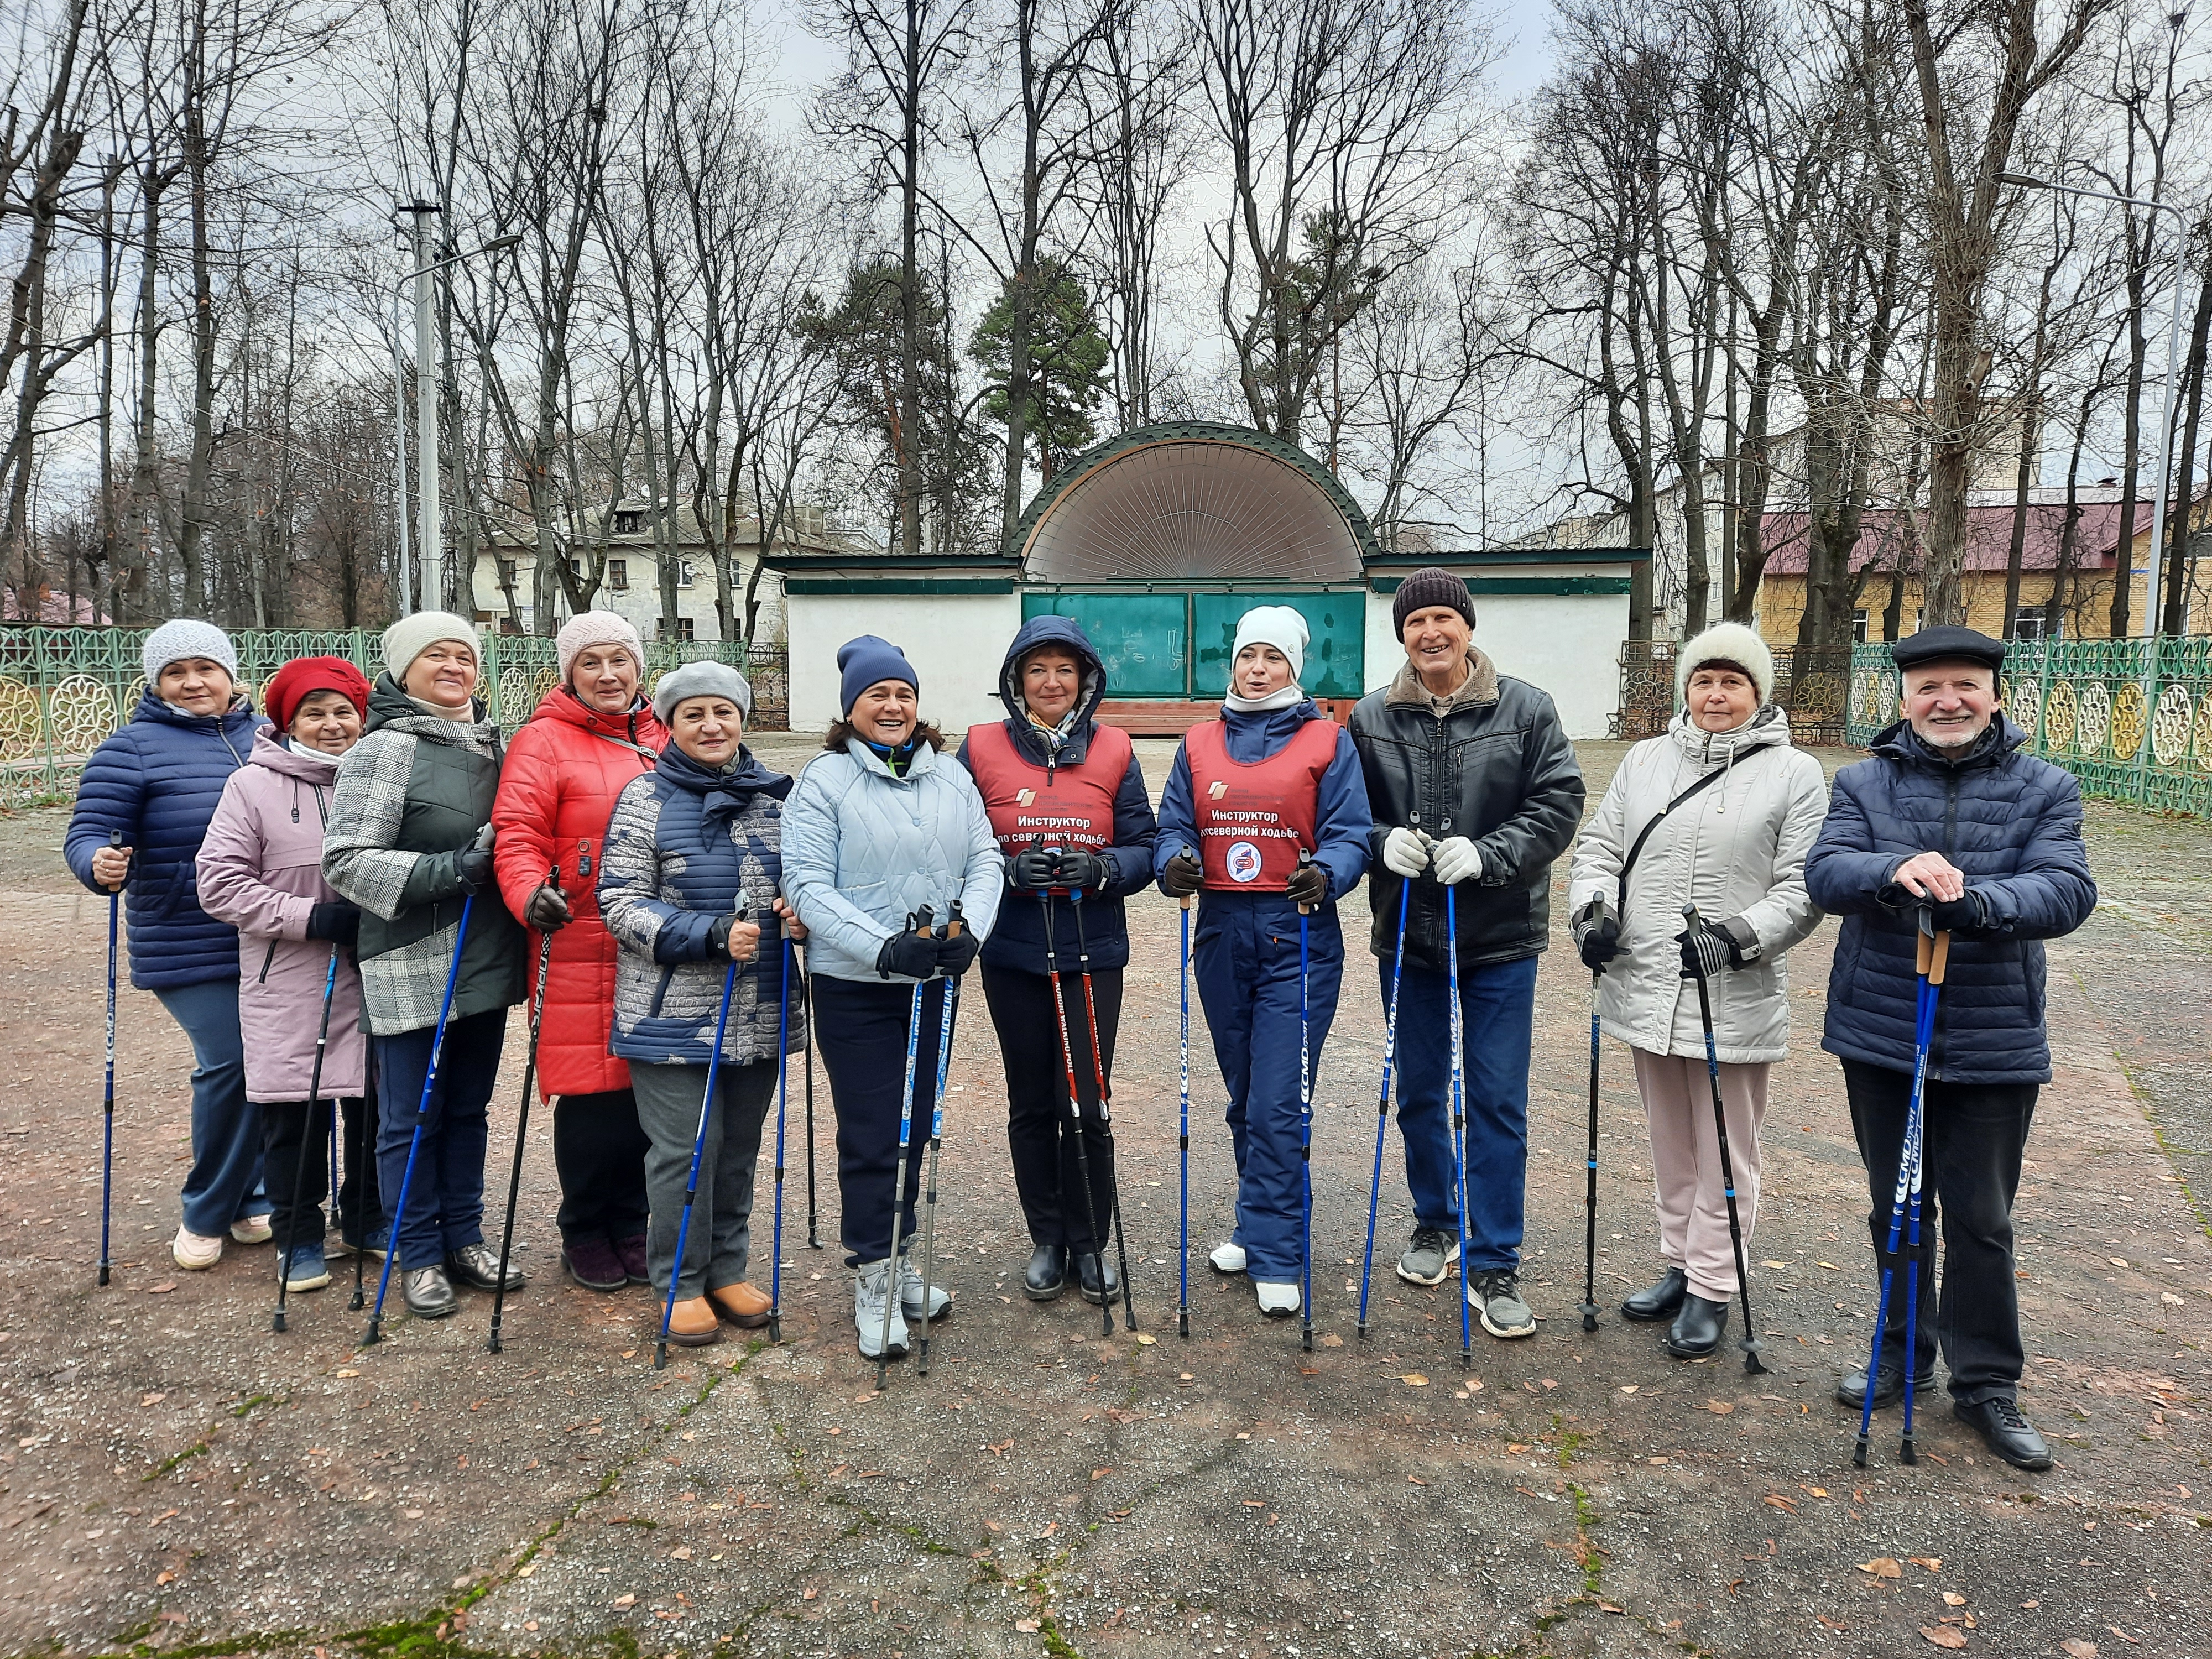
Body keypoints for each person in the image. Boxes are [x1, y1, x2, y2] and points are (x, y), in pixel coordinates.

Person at [1804, 625, 2095, 1472]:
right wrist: (1895, 872)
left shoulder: (2047, 786)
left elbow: (2067, 887)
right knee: (1895, 1208)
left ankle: (1988, 1383)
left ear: (1996, 696)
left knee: (1982, 1219)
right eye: (1930, 688)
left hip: (1993, 1034)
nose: (1948, 702)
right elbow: (1828, 874)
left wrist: (1983, 902)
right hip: (1884, 1031)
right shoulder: (1862, 782)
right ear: (1904, 701)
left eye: (1966, 686)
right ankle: (1901, 1356)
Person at [1566, 623, 1827, 1358]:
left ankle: (1715, 1283)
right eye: (1704, 681)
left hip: (1729, 991)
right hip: (1648, 981)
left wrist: (1739, 935)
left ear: (1758, 693)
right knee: (1670, 1138)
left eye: (1733, 683)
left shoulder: (1794, 773)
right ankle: (1680, 1263)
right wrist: (1593, 914)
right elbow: (1600, 848)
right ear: (1686, 688)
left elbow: (1806, 884)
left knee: (1724, 1144)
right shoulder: (1645, 760)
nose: (1716, 695)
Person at [1347, 568, 1583, 1339]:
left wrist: (1493, 854)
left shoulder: (1526, 709)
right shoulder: (1371, 717)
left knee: (1494, 1100)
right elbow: (1350, 815)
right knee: (1418, 1091)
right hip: (1409, 932)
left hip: (1501, 937)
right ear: (1403, 635)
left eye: (1445, 618)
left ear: (1468, 627)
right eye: (1417, 623)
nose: (1432, 633)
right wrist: (1386, 844)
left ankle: (1495, 1257)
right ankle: (1435, 1222)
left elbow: (1558, 801)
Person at [781, 637, 1003, 1360]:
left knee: (917, 1125)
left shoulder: (952, 778)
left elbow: (985, 860)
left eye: (903, 694)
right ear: (852, 710)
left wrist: (971, 929)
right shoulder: (824, 782)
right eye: (878, 695)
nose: (893, 705)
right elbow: (808, 886)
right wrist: (880, 946)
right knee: (873, 1130)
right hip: (858, 986)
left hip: (933, 981)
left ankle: (901, 1255)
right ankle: (872, 1273)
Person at [1155, 606, 1371, 1319]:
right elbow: (1174, 826)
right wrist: (1173, 864)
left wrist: (1331, 871)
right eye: (1247, 656)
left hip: (1296, 933)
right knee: (1246, 1096)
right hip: (1221, 929)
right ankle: (1257, 1225)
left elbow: (1348, 832)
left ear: (1294, 668)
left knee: (1279, 1103)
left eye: (1272, 659)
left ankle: (1280, 1252)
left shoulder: (1325, 740)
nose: (1257, 670)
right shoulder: (1198, 742)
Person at [321, 613, 529, 1321]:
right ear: (403, 671)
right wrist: (448, 869)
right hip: (413, 961)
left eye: (464, 656)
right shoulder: (383, 750)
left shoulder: (497, 745)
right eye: (435, 656)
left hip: (488, 955)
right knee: (411, 1119)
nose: (453, 667)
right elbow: (345, 860)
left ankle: (465, 1237)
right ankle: (418, 1250)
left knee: (469, 1110)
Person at [597, 662, 805, 1346]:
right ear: (670, 724)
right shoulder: (644, 798)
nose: (711, 726)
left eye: (723, 712)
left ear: (742, 718)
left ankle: (726, 1268)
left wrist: (801, 916)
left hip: (762, 1005)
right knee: (688, 1150)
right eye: (694, 715)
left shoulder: (776, 799)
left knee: (738, 1148)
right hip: (669, 1012)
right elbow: (619, 903)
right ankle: (679, 1281)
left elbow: (806, 883)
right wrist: (710, 935)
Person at [956, 617, 1159, 1305]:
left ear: (1086, 682)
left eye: (1064, 671)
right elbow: (955, 841)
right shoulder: (980, 747)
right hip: (1013, 948)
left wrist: (1099, 868)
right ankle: (1047, 1235)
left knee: (1087, 1099)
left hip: (1090, 947)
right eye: (1037, 670)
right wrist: (1009, 870)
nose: (1051, 683)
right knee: (1031, 1099)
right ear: (1017, 680)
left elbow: (1145, 848)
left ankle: (1090, 1240)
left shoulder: (1113, 748)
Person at [65, 620, 270, 1270]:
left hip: (270, 930)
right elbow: (89, 830)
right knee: (231, 1065)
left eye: (204, 669)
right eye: (175, 673)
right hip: (186, 938)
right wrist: (96, 861)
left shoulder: (268, 735)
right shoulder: (131, 749)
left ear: (230, 674)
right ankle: (207, 1210)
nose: (192, 683)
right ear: (155, 683)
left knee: (274, 1067)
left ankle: (251, 1196)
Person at [491, 612, 668, 1293]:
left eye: (619, 660)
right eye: (590, 663)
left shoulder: (662, 734)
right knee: (592, 1096)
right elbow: (517, 832)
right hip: (578, 935)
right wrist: (529, 890)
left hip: (653, 937)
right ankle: (585, 1227)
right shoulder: (543, 741)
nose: (607, 675)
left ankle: (633, 1222)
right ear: (569, 673)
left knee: (650, 1092)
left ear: (638, 667)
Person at [196, 655, 384, 1292]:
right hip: (292, 977)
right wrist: (312, 918)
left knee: (374, 1106)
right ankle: (298, 1235)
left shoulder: (385, 776)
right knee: (296, 1116)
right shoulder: (252, 787)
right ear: (288, 720)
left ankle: (365, 1219)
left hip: (379, 971)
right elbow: (219, 885)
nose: (332, 726)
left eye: (343, 713)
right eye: (315, 714)